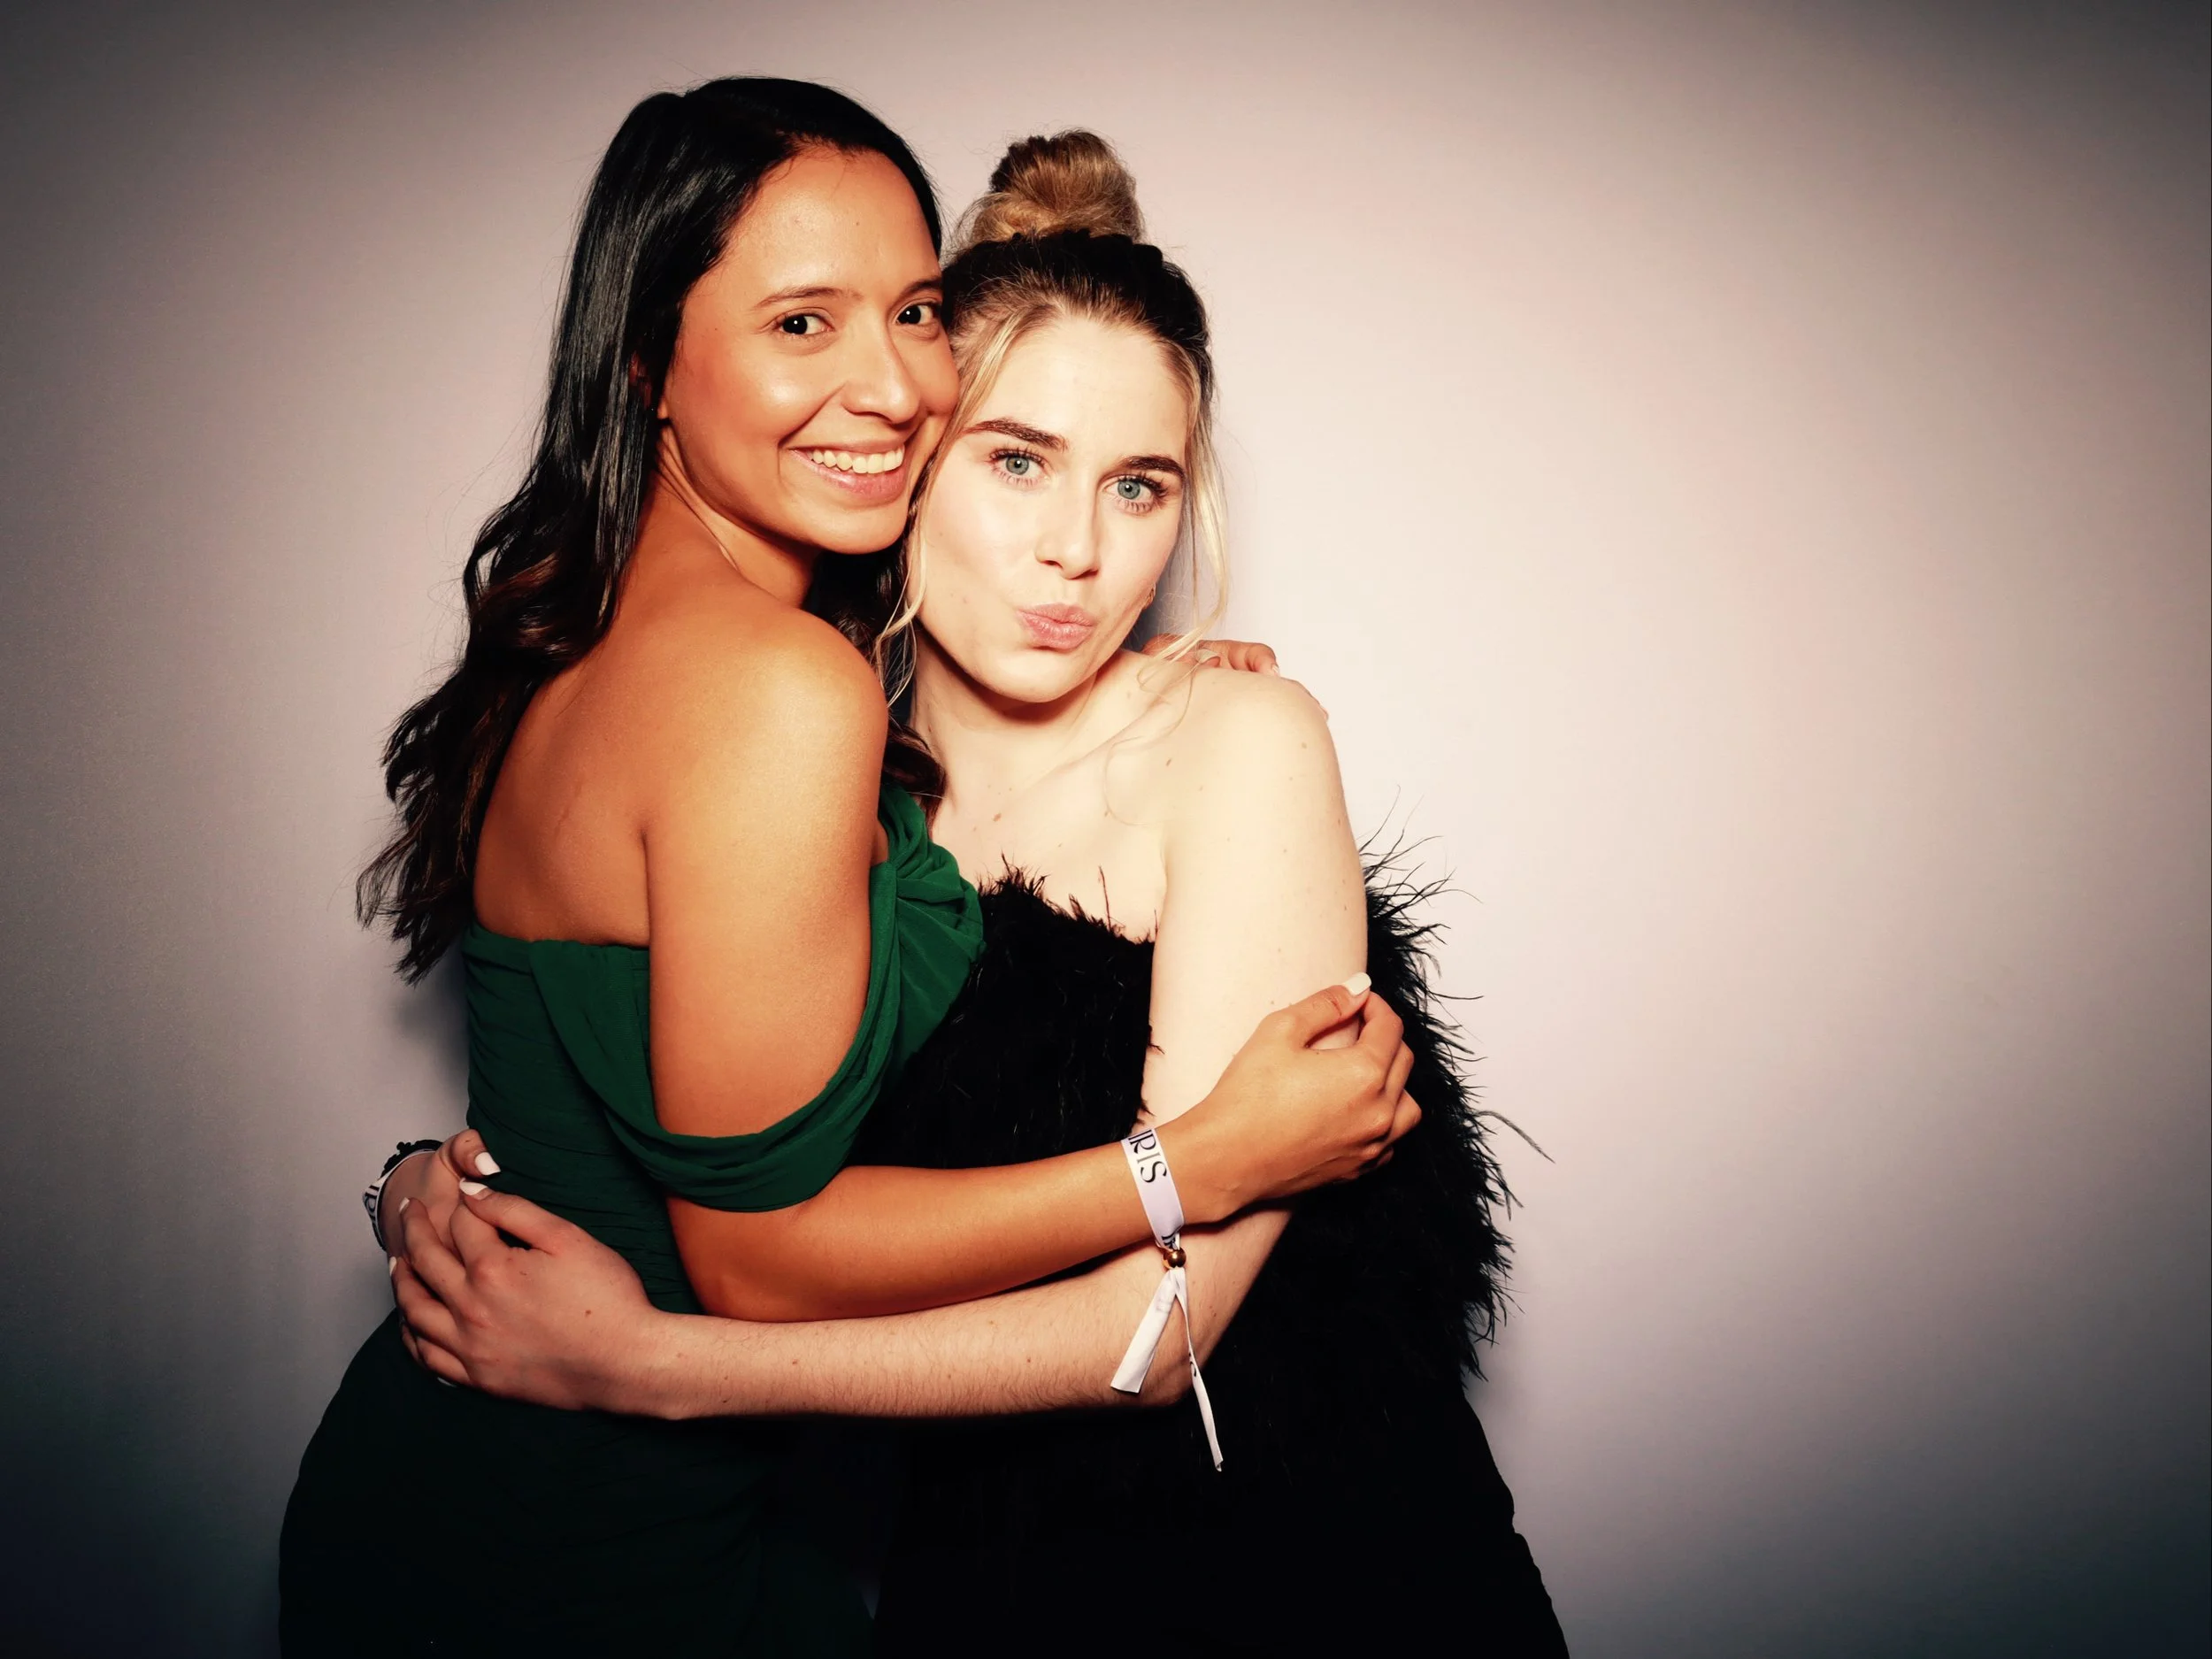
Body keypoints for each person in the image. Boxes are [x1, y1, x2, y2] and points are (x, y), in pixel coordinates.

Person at [278, 86, 1416, 1656]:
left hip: (1270, 1578)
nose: (1078, 551)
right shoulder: (799, 711)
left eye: (1138, 486)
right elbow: (721, 1206)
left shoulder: (1178, 734)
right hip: (646, 1544)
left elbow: (1158, 1336)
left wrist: (445, 1193)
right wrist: (1190, 1161)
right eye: (1017, 461)